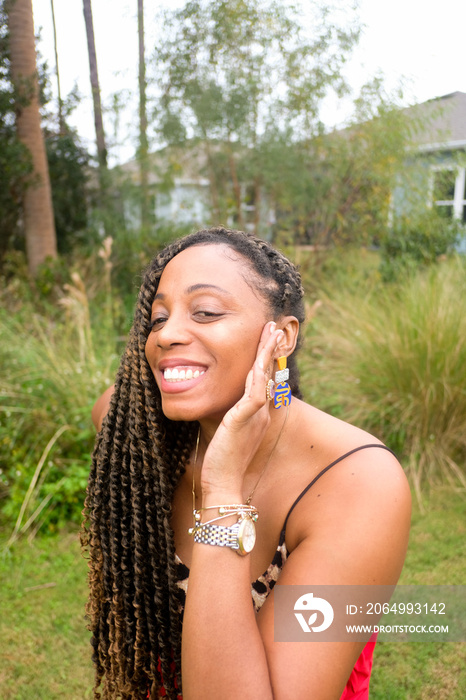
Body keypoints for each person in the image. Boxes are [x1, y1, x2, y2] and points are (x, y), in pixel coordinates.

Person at [84, 226, 411, 700]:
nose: (167, 334)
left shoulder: (358, 483)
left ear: (281, 338)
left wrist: (222, 492)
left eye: (206, 312)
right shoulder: (131, 430)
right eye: (158, 318)